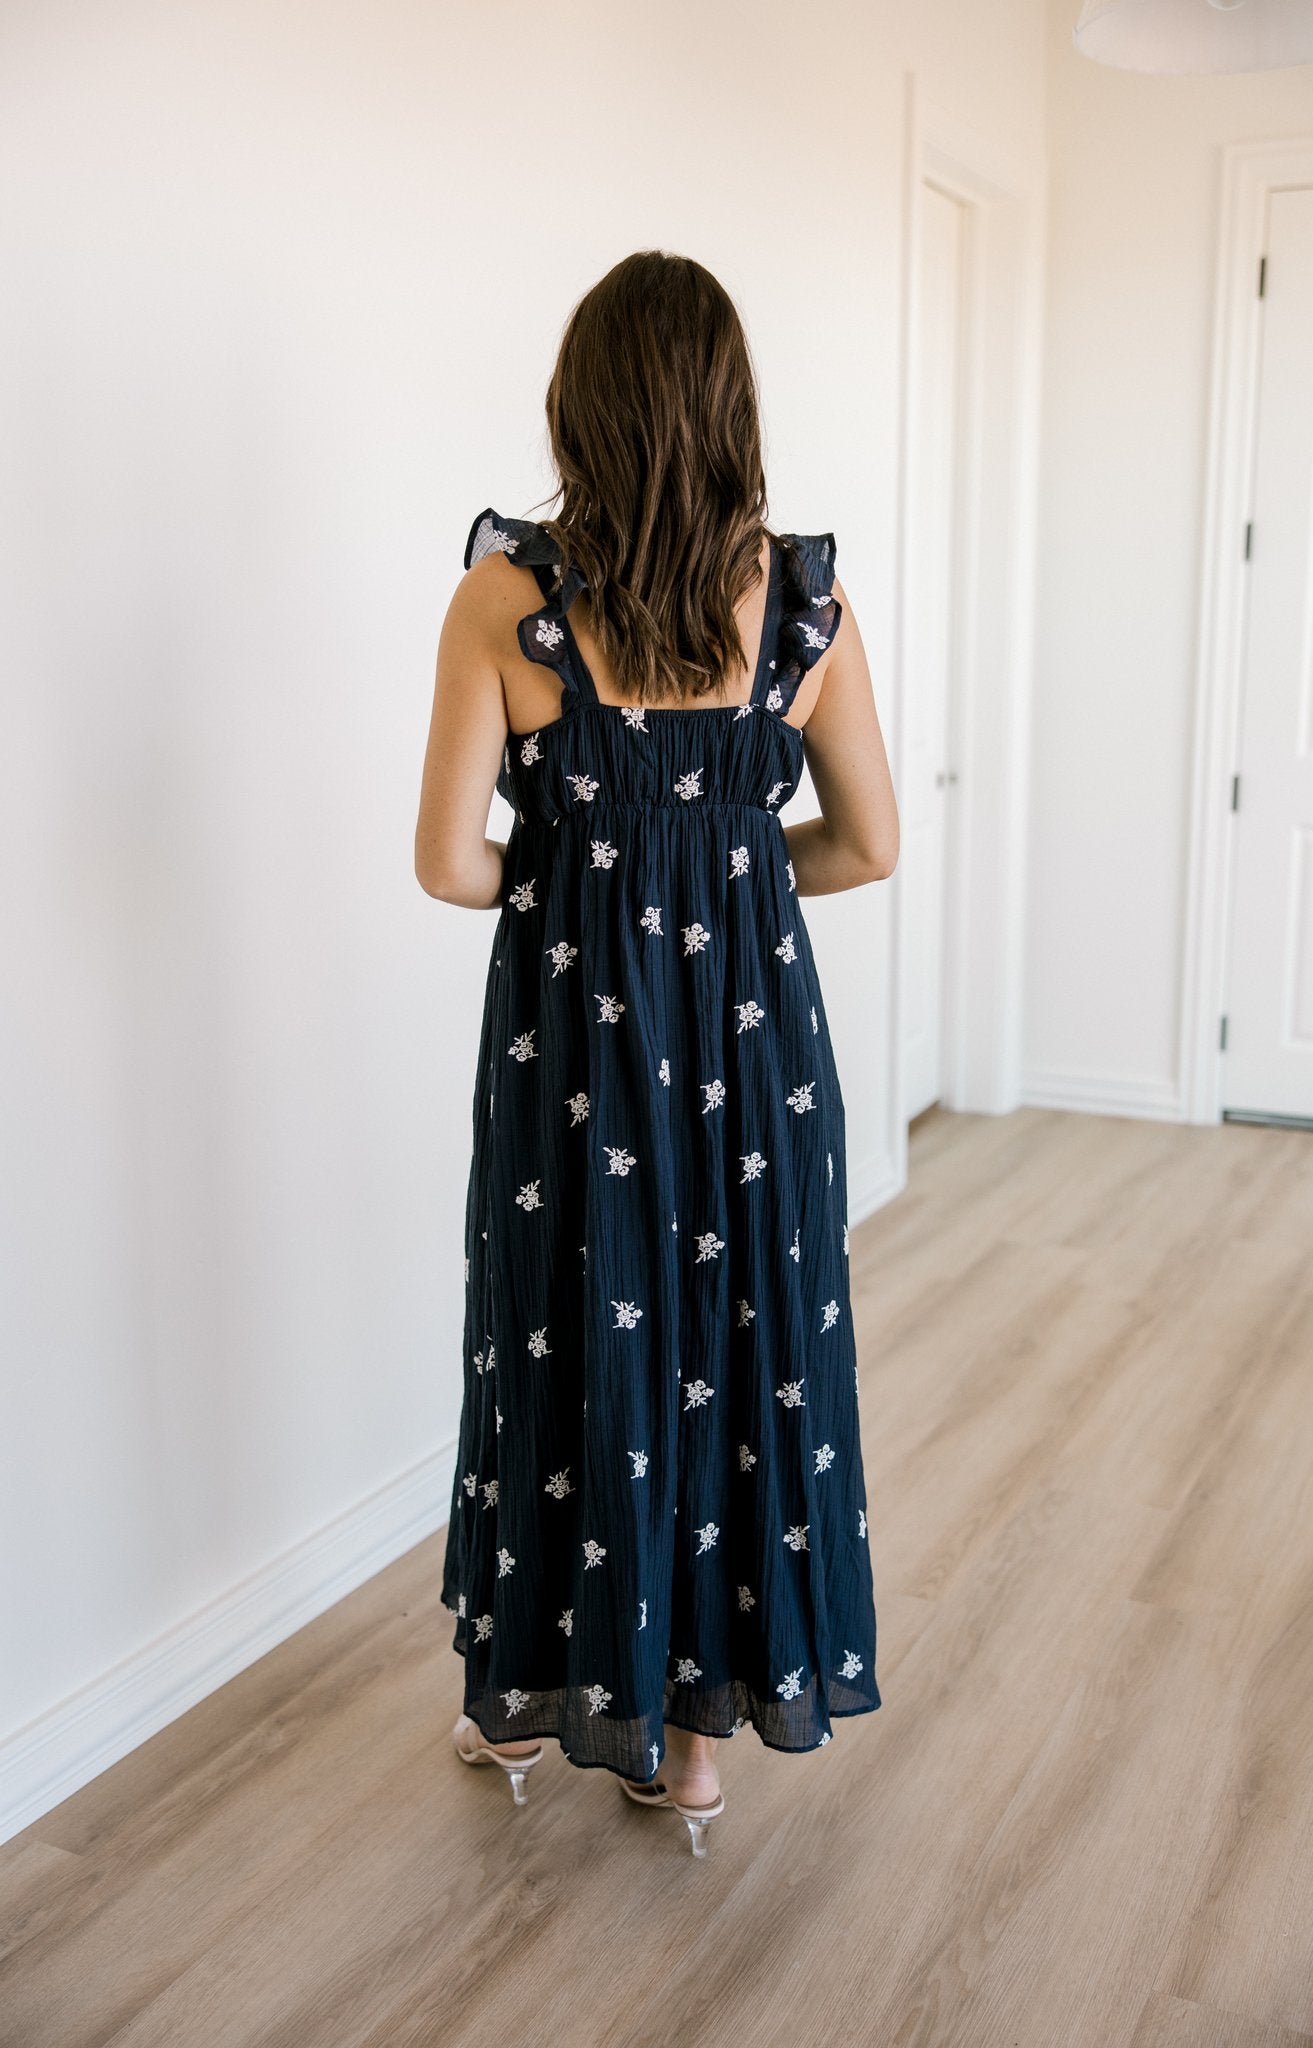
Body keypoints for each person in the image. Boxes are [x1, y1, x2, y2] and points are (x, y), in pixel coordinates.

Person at [415, 249, 899, 1857]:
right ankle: (691, 1754)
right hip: (756, 1057)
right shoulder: (806, 604)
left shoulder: (508, 602)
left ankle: (538, 1695)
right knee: (741, 1356)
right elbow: (869, 845)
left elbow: (447, 863)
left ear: (579, 405)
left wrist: (578, 871)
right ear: (730, 407)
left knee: (567, 1337)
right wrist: (738, 872)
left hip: (574, 1059)